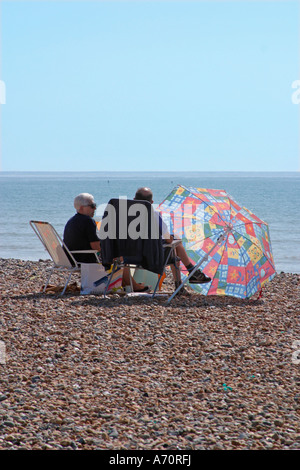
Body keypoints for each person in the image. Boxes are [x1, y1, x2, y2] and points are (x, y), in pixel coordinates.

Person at [63, 193, 149, 292]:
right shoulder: (87, 221)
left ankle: (127, 284)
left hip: (72, 258)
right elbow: (96, 246)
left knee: (116, 256)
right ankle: (134, 286)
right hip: (86, 260)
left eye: (95, 205)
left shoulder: (71, 221)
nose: (95, 209)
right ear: (82, 208)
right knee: (120, 258)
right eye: (92, 206)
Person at [134, 187, 211, 293]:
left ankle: (190, 273)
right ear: (151, 202)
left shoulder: (123, 216)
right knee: (175, 243)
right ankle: (188, 274)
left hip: (130, 256)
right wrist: (171, 239)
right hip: (152, 258)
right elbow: (168, 240)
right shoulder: (153, 216)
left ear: (134, 200)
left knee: (174, 242)